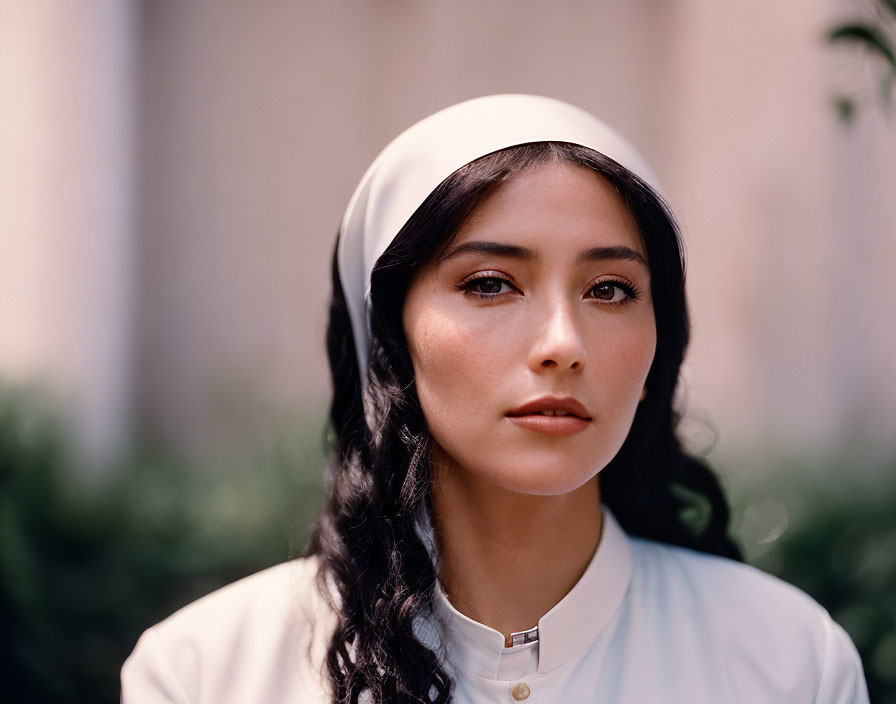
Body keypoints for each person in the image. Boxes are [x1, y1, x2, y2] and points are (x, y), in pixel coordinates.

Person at [121, 94, 869, 703]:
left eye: (609, 289)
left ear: (657, 351)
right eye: (490, 284)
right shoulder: (206, 672)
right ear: (391, 339)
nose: (562, 341)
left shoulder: (788, 662)